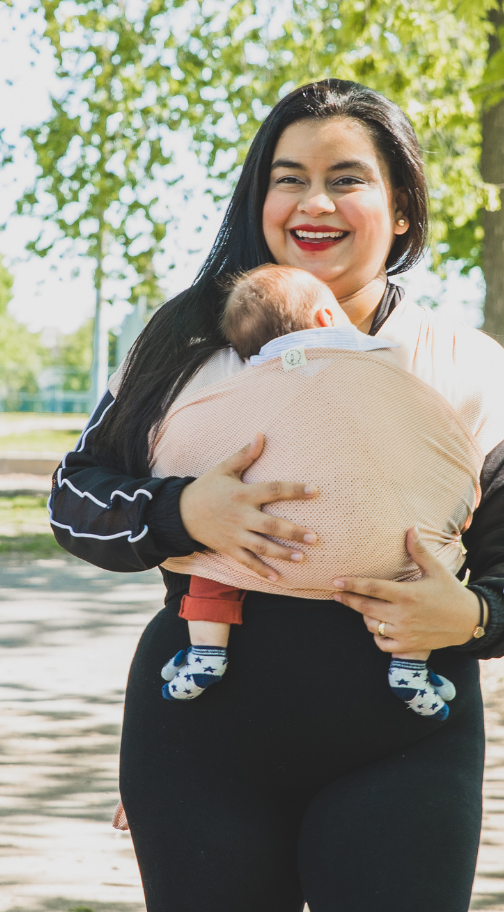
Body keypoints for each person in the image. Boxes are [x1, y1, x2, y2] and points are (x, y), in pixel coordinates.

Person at [49, 79, 504, 912]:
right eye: (288, 179)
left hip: (404, 741)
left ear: (401, 208)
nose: (313, 203)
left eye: (346, 179)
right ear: (259, 199)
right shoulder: (182, 343)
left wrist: (472, 613)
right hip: (200, 739)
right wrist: (183, 513)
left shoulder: (459, 361)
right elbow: (76, 500)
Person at [160, 262, 460, 721]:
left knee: (212, 560)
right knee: (424, 562)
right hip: (369, 536)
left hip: (265, 541)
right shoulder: (374, 353)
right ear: (326, 318)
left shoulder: (244, 379)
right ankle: (409, 666)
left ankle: (206, 653)